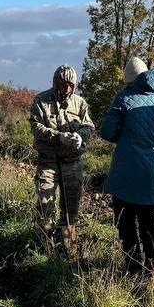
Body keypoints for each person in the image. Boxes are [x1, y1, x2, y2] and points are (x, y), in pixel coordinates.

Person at [99, 57, 154, 273]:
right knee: (149, 223)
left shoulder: (123, 98)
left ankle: (133, 268)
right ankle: (151, 267)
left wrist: (126, 140)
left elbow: (106, 132)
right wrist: (153, 147)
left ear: (129, 79)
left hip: (125, 171)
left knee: (126, 223)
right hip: (152, 173)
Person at [29, 64, 94, 246]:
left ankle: (68, 247)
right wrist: (59, 137)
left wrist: (80, 137)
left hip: (72, 162)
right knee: (45, 202)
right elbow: (36, 127)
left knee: (70, 207)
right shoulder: (41, 100)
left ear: (74, 85)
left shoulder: (80, 103)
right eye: (62, 84)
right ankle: (43, 245)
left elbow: (89, 126)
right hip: (48, 161)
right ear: (55, 82)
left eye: (69, 85)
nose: (66, 88)